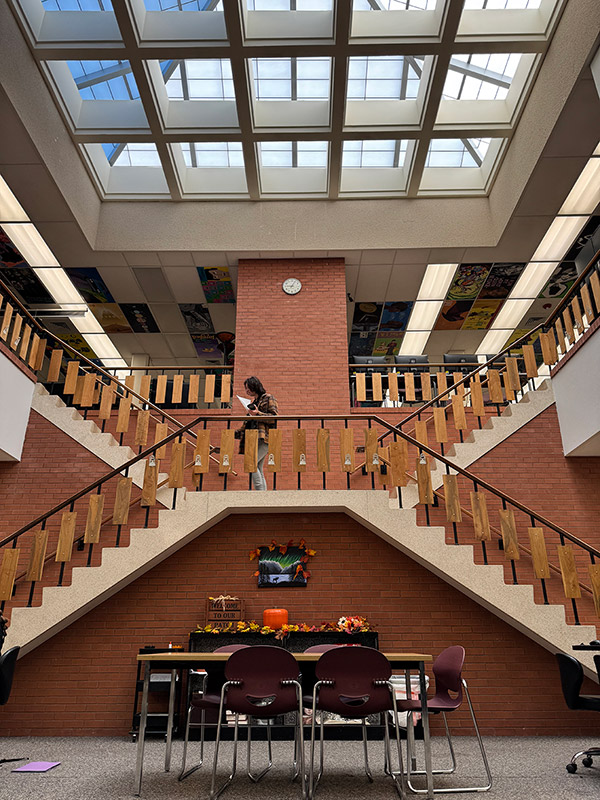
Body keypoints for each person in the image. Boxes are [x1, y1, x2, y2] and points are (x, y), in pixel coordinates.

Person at [240, 376, 278, 491]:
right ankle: (263, 494)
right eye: (245, 388)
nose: (246, 391)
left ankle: (259, 494)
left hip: (265, 438)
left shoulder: (268, 397)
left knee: (251, 463)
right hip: (254, 438)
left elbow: (274, 417)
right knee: (258, 467)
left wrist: (258, 413)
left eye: (248, 388)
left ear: (255, 385)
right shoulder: (254, 402)